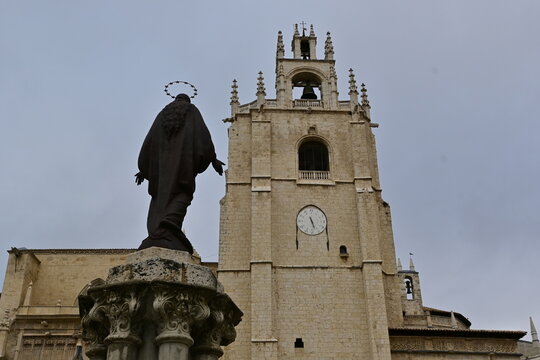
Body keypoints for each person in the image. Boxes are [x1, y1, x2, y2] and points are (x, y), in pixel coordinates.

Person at [135, 93, 224, 253]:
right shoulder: (191, 111)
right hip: (183, 167)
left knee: (160, 200)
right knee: (182, 195)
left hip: (161, 172)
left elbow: (148, 142)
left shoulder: (162, 115)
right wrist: (213, 159)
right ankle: (168, 224)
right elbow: (203, 138)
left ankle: (160, 230)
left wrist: (144, 169)